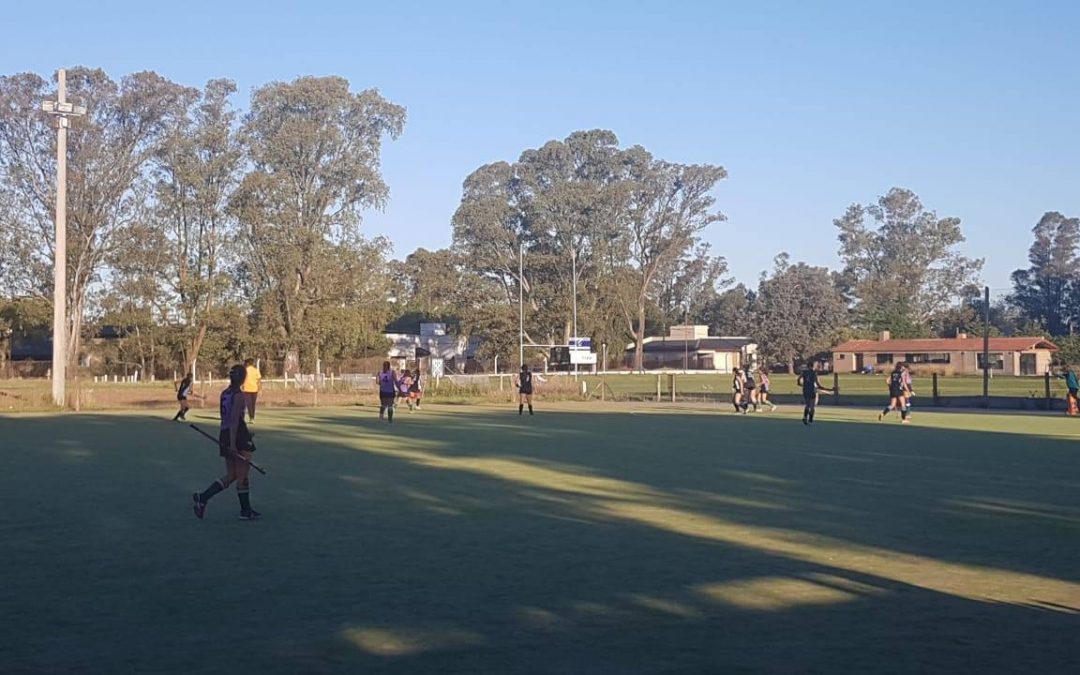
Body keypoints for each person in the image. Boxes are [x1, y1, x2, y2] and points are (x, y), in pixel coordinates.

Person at [192, 364, 261, 520]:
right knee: (242, 475)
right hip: (236, 436)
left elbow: (228, 418)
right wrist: (233, 443)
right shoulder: (239, 395)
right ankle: (245, 511)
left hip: (225, 432)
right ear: (243, 378)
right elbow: (235, 420)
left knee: (232, 474)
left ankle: (203, 498)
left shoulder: (224, 393)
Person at [797, 361, 833, 425]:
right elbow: (818, 384)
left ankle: (805, 417)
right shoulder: (814, 373)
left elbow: (798, 379)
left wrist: (800, 384)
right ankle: (810, 420)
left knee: (807, 405)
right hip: (812, 390)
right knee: (812, 406)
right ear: (813, 366)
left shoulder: (804, 372)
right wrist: (830, 389)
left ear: (807, 366)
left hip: (805, 390)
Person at [241, 358, 262, 423]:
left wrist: (241, 387)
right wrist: (260, 389)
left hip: (246, 389)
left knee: (248, 404)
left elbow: (242, 380)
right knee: (253, 404)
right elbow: (259, 381)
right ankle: (252, 418)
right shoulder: (256, 370)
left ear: (247, 363)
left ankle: (248, 418)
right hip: (254, 389)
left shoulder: (244, 370)